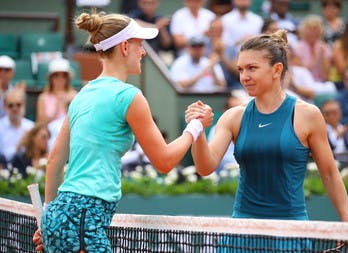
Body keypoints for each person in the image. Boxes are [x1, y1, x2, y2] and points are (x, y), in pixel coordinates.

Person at [32, 10, 213, 253]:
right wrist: (196, 126)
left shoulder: (82, 94)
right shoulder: (130, 97)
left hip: (58, 213)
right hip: (86, 216)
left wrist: (48, 219)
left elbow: (54, 160)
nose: (144, 51)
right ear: (125, 47)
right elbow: (165, 161)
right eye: (140, 45)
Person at [186, 30, 348, 224]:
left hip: (291, 231)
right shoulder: (233, 117)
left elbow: (330, 173)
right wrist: (197, 130)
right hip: (243, 230)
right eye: (240, 69)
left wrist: (346, 222)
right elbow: (205, 167)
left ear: (277, 69)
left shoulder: (308, 115)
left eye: (252, 68)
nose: (244, 77)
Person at [36, 58, 77, 124]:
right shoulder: (43, 98)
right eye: (56, 75)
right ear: (51, 78)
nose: (60, 78)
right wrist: (57, 108)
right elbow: (40, 124)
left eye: (64, 75)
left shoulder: (74, 95)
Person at [0, 88, 34, 163]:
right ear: (5, 107)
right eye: (10, 105)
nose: (15, 108)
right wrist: (18, 146)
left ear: (24, 105)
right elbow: (2, 156)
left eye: (18, 105)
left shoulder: (31, 126)